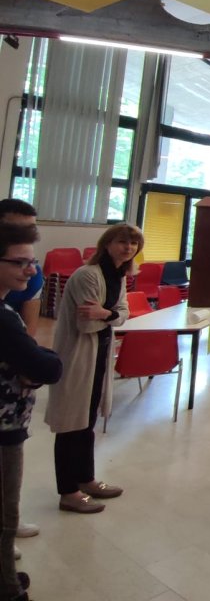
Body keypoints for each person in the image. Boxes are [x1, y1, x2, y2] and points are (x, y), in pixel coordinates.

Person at [45, 223, 143, 514]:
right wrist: (111, 316)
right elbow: (88, 324)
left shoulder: (119, 275)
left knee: (87, 421)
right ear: (107, 243)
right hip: (78, 354)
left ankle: (85, 479)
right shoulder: (88, 275)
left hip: (100, 352)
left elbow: (123, 314)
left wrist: (106, 314)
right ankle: (68, 492)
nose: (128, 248)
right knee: (71, 424)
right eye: (122, 241)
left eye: (134, 243)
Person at [0, 223, 62, 599]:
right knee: (5, 517)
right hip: (4, 429)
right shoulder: (5, 318)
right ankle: (8, 589)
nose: (31, 270)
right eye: (20, 262)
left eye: (33, 261)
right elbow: (46, 367)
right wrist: (46, 358)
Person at [0, 201, 42, 338]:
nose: (24, 235)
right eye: (14, 230)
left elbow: (28, 332)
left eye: (31, 229)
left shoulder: (33, 274)